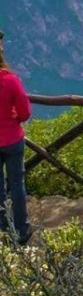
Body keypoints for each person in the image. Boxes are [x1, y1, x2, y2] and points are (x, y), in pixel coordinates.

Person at [0, 37, 33, 244]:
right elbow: (25, 112)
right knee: (16, 184)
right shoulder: (10, 80)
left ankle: (3, 226)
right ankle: (21, 229)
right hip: (12, 139)